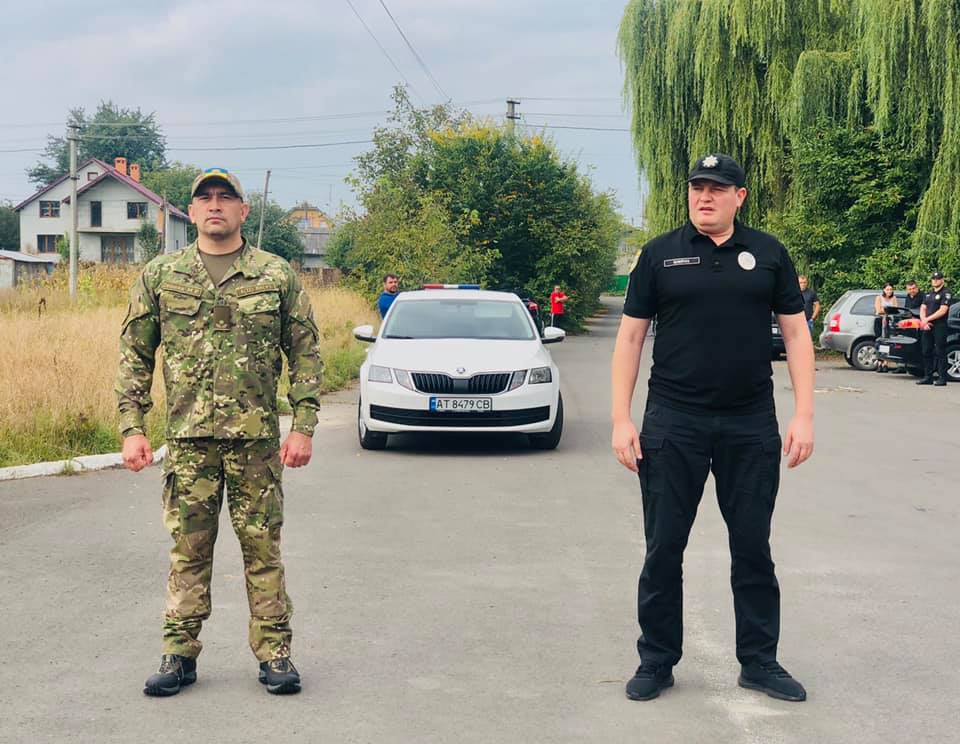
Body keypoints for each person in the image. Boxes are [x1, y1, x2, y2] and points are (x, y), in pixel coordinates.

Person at [611, 153, 814, 703]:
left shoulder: (768, 253)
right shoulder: (659, 255)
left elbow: (796, 334)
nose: (705, 196)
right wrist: (622, 419)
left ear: (739, 197)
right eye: (698, 187)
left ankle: (760, 661)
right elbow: (630, 337)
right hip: (673, 421)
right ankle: (656, 660)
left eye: (718, 188)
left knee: (752, 548)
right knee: (663, 548)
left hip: (749, 423)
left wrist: (803, 414)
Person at [116, 167, 323, 697]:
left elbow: (304, 352)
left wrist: (302, 426)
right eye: (205, 197)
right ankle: (178, 654)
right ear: (191, 211)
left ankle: (275, 653)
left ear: (242, 211)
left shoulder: (275, 275)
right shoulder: (163, 275)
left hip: (256, 443)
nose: (215, 205)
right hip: (189, 443)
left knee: (263, 549)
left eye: (225, 197)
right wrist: (132, 428)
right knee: (188, 551)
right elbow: (135, 356)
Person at [916, 271, 953, 386]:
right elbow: (923, 308)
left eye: (937, 279)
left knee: (940, 351)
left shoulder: (946, 293)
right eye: (933, 279)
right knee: (926, 350)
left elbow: (943, 310)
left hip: (939, 325)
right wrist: (924, 320)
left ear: (942, 280)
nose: (935, 281)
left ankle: (942, 378)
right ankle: (928, 377)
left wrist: (928, 319)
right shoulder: (928, 294)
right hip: (927, 326)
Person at [874, 283, 898, 372]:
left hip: (889, 321)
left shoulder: (894, 298)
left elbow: (895, 310)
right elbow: (878, 310)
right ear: (884, 290)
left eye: (891, 289)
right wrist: (887, 311)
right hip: (880, 320)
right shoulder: (879, 298)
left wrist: (885, 310)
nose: (889, 291)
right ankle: (879, 363)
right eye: (887, 289)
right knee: (879, 341)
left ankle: (885, 363)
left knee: (887, 342)